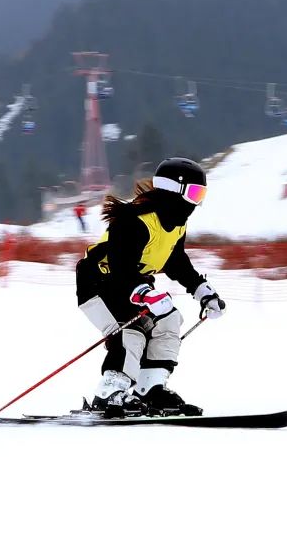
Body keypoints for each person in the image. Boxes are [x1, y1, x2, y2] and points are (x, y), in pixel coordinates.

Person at [75, 157, 227, 418]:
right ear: (174, 190)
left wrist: (202, 290)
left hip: (134, 285)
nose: (196, 202)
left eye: (201, 195)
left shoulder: (176, 224)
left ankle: (150, 389)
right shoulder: (134, 221)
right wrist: (145, 294)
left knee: (168, 320)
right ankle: (110, 392)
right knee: (130, 330)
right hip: (100, 284)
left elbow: (175, 261)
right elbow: (121, 267)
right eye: (193, 193)